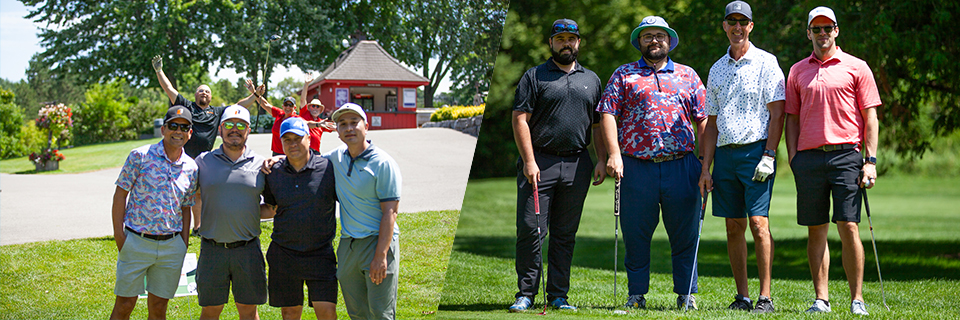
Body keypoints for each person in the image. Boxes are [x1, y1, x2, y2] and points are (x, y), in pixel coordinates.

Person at [597, 15, 708, 310]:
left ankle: (687, 295)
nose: (654, 40)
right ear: (640, 42)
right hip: (636, 166)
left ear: (669, 41)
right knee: (636, 234)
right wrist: (613, 153)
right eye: (648, 36)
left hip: (682, 166)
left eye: (660, 35)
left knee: (685, 235)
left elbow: (704, 120)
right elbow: (607, 113)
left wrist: (706, 165)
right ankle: (636, 294)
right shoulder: (624, 74)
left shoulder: (688, 75)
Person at [784, 6, 880, 316]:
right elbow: (792, 118)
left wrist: (870, 160)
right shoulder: (798, 70)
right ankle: (821, 299)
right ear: (808, 32)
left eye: (828, 28)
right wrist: (793, 157)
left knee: (849, 226)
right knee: (816, 229)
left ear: (836, 30)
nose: (822, 33)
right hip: (809, 159)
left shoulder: (856, 67)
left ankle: (857, 299)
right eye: (817, 29)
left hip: (846, 157)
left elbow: (870, 117)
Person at [508, 18, 607, 313]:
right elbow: (519, 119)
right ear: (551, 43)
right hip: (541, 162)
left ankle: (558, 296)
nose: (566, 43)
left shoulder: (591, 79)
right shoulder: (535, 76)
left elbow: (598, 124)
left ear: (579, 43)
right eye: (560, 38)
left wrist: (601, 158)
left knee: (565, 234)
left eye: (571, 38)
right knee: (531, 230)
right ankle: (526, 294)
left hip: (578, 163)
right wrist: (529, 160)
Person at [697, 1, 784, 313]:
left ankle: (765, 297)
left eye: (742, 22)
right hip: (724, 156)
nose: (737, 27)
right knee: (734, 226)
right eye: (731, 22)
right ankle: (743, 296)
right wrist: (706, 167)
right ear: (724, 26)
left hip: (755, 152)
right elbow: (712, 122)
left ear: (751, 26)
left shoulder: (766, 62)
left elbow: (777, 114)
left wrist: (770, 155)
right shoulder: (717, 68)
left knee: (759, 223)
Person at [109, 105, 198, 320]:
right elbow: (120, 195)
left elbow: (186, 207)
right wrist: (119, 236)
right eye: (173, 126)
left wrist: (183, 242)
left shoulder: (191, 167)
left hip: (171, 247)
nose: (178, 131)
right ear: (163, 129)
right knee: (124, 304)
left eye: (184, 127)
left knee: (158, 307)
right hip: (136, 242)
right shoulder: (140, 156)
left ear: (190, 133)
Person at [152, 55, 258, 233]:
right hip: (183, 158)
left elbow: (240, 105)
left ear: (210, 97)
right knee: (176, 191)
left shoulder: (216, 112)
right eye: (201, 90)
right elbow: (169, 89)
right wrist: (159, 71)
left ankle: (198, 226)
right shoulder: (187, 106)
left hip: (204, 160)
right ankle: (168, 224)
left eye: (207, 91)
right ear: (195, 95)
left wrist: (254, 95)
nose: (204, 93)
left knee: (199, 194)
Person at [327, 103, 402, 319]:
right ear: (337, 131)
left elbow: (390, 212)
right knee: (357, 312)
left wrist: (381, 256)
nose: (349, 128)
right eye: (343, 124)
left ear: (366, 126)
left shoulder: (383, 163)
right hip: (348, 245)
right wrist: (275, 159)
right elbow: (307, 162)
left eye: (354, 122)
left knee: (380, 312)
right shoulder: (335, 158)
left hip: (377, 243)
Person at [194, 105, 269, 319]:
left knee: (248, 310)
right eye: (228, 125)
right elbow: (193, 195)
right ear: (220, 129)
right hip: (212, 250)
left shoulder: (261, 164)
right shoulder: (203, 161)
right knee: (210, 310)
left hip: (247, 250)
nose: (234, 129)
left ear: (248, 130)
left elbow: (271, 207)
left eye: (240, 125)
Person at [262, 117, 339, 320]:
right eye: (287, 139)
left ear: (308, 138)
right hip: (284, 254)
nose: (292, 143)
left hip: (320, 254)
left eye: (297, 138)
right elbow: (272, 208)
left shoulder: (328, 168)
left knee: (327, 312)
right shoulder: (273, 172)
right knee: (289, 313)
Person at [298, 74, 336, 153]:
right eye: (313, 106)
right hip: (304, 150)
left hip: (316, 152)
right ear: (309, 107)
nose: (315, 108)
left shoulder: (322, 121)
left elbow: (335, 127)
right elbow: (302, 99)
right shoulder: (305, 114)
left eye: (317, 107)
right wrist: (306, 84)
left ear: (320, 110)